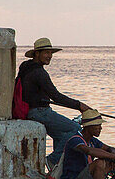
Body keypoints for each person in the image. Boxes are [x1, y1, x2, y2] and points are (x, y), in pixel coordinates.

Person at [17, 37, 92, 167]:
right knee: (75, 128)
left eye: (51, 53)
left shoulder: (26, 68)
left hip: (31, 110)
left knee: (60, 136)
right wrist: (79, 105)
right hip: (39, 112)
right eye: (46, 53)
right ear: (37, 54)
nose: (50, 56)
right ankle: (52, 160)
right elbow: (56, 96)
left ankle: (57, 166)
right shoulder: (39, 73)